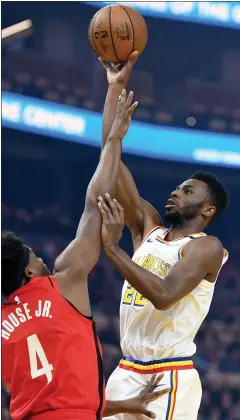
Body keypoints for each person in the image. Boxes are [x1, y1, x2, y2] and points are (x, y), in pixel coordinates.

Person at [1, 90, 168, 420]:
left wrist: (121, 405)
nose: (42, 258)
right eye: (34, 257)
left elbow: (54, 393)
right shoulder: (62, 283)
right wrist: (114, 139)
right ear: (29, 274)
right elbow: (96, 203)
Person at [99, 53, 229, 419]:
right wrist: (115, 87)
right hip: (125, 370)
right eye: (177, 187)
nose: (176, 192)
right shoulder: (148, 227)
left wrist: (112, 248)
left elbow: (165, 295)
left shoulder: (206, 248)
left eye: (188, 191)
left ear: (208, 210)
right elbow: (110, 160)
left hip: (168, 375)